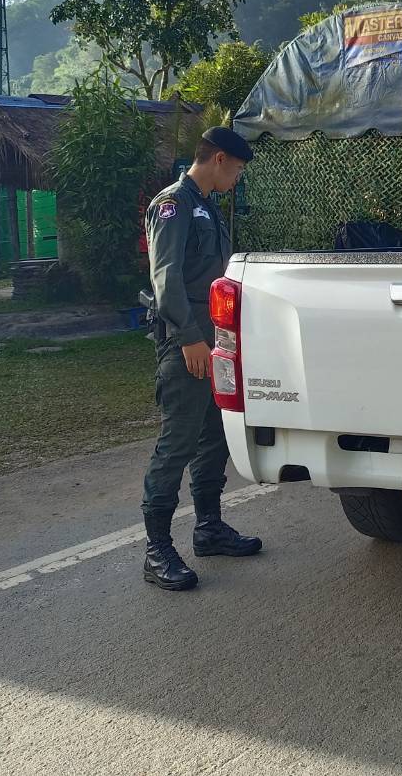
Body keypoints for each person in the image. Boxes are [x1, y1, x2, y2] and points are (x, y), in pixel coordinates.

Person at [140, 126, 262, 591]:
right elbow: (166, 278)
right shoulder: (173, 204)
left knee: (215, 437)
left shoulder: (207, 206)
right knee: (178, 442)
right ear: (219, 160)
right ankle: (157, 550)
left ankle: (209, 527)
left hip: (217, 343)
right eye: (237, 169)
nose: (237, 178)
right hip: (187, 344)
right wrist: (189, 338)